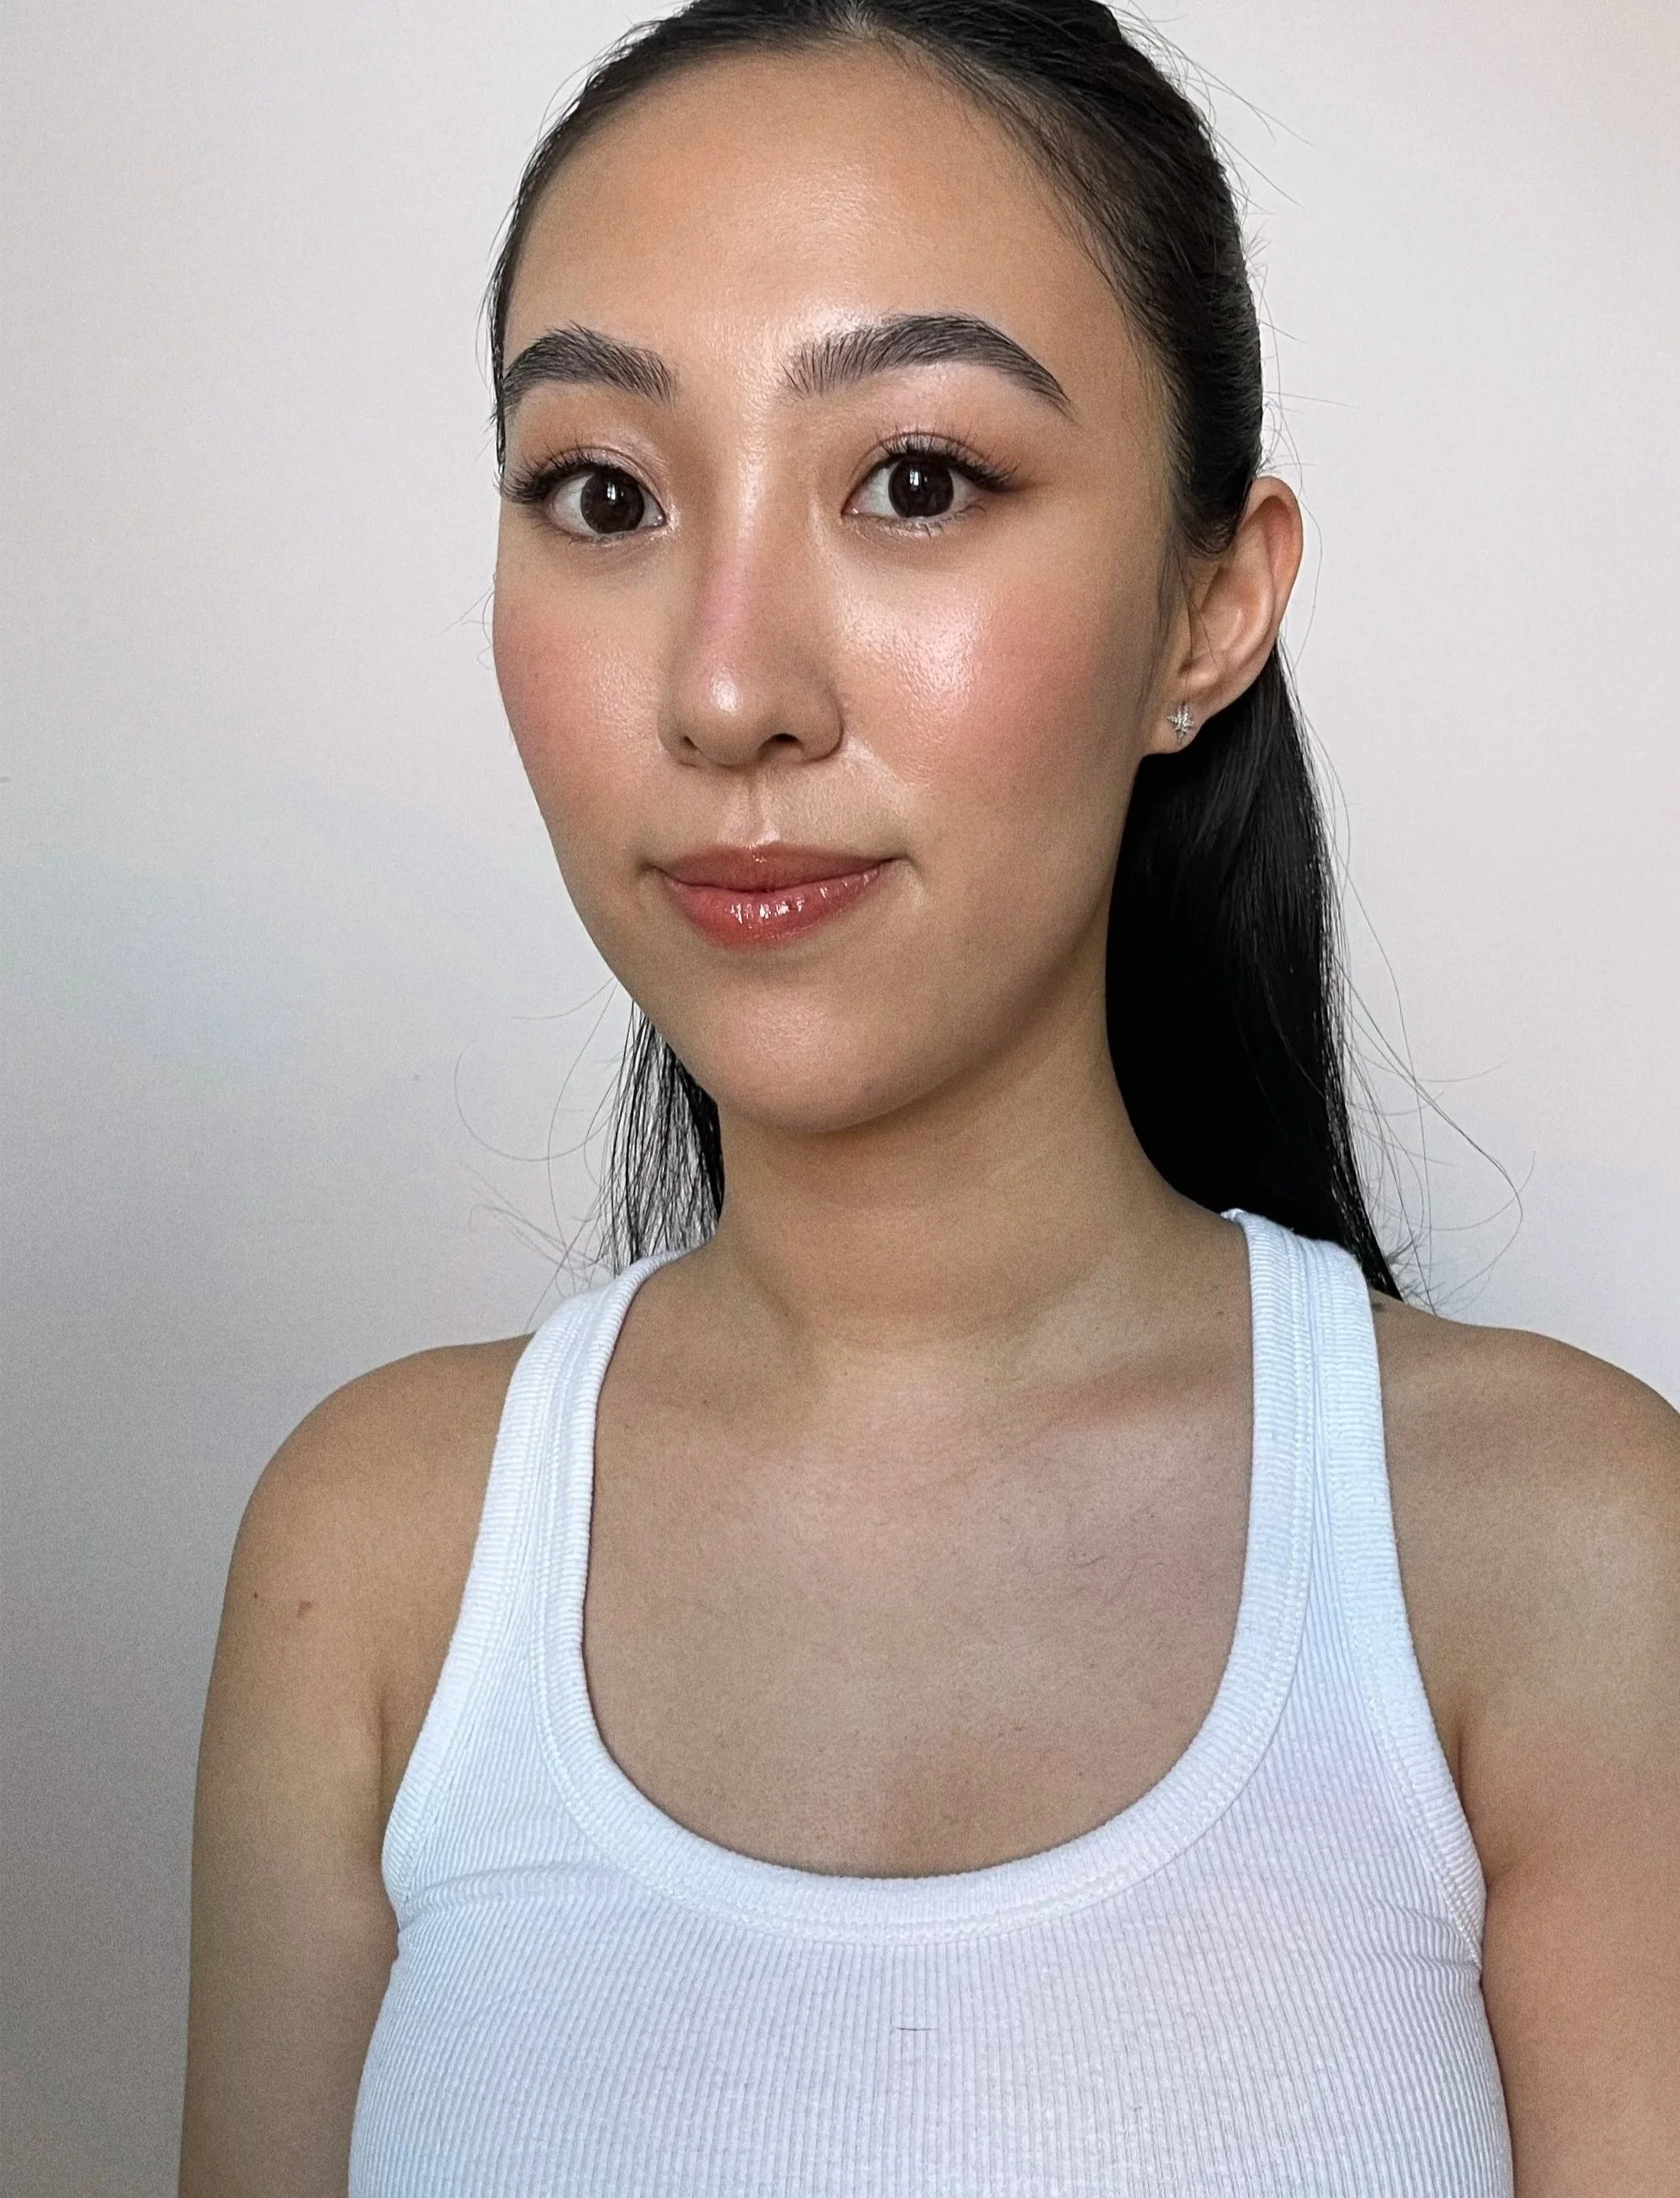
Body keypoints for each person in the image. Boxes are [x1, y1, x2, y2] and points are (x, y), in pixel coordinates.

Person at [177, 2, 1680, 2191]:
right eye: (603, 491)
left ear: (1211, 603)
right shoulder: (376, 1565)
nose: (725, 687)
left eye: (919, 479)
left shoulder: (1559, 1556)